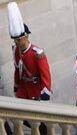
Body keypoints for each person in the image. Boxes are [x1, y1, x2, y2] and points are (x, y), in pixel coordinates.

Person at [7, 2, 52, 134]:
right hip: (23, 91)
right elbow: (17, 69)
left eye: (19, 40)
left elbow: (46, 76)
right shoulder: (16, 50)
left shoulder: (37, 53)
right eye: (15, 40)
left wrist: (45, 93)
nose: (16, 42)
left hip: (35, 92)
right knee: (23, 119)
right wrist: (16, 85)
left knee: (41, 125)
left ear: (26, 36)